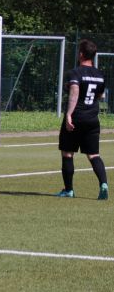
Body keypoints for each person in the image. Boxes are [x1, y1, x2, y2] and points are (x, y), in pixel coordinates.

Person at [58, 39, 108, 200]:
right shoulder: (100, 75)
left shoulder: (75, 73)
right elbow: (101, 96)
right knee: (94, 155)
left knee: (67, 153)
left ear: (81, 54)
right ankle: (103, 184)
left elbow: (74, 92)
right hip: (92, 119)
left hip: (77, 117)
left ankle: (69, 190)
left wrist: (68, 115)